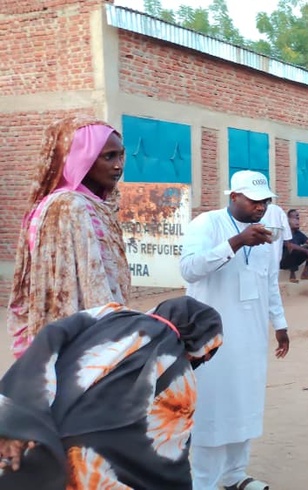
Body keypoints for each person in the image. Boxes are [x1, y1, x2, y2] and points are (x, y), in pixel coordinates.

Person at [0, 297, 223, 489]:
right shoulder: (181, 376)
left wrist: (16, 423)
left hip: (41, 435)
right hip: (87, 466)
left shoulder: (109, 313)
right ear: (200, 348)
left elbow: (50, 335)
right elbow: (167, 457)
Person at [180, 170, 290, 490]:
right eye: (254, 201)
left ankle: (234, 476)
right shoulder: (207, 224)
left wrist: (279, 324)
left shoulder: (266, 234)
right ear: (234, 197)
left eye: (266, 201)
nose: (261, 207)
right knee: (213, 408)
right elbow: (189, 269)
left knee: (245, 403)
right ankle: (203, 483)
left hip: (251, 336)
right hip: (211, 339)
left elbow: (269, 282)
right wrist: (237, 241)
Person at [6, 116, 131, 358]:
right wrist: (113, 339)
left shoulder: (93, 203)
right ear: (80, 159)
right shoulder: (68, 206)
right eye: (109, 156)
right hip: (84, 341)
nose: (118, 165)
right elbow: (67, 291)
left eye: (120, 155)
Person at [261, 201, 294, 267]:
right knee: (275, 259)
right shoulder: (278, 209)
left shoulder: (258, 209)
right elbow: (285, 225)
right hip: (276, 238)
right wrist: (287, 240)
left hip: (262, 237)